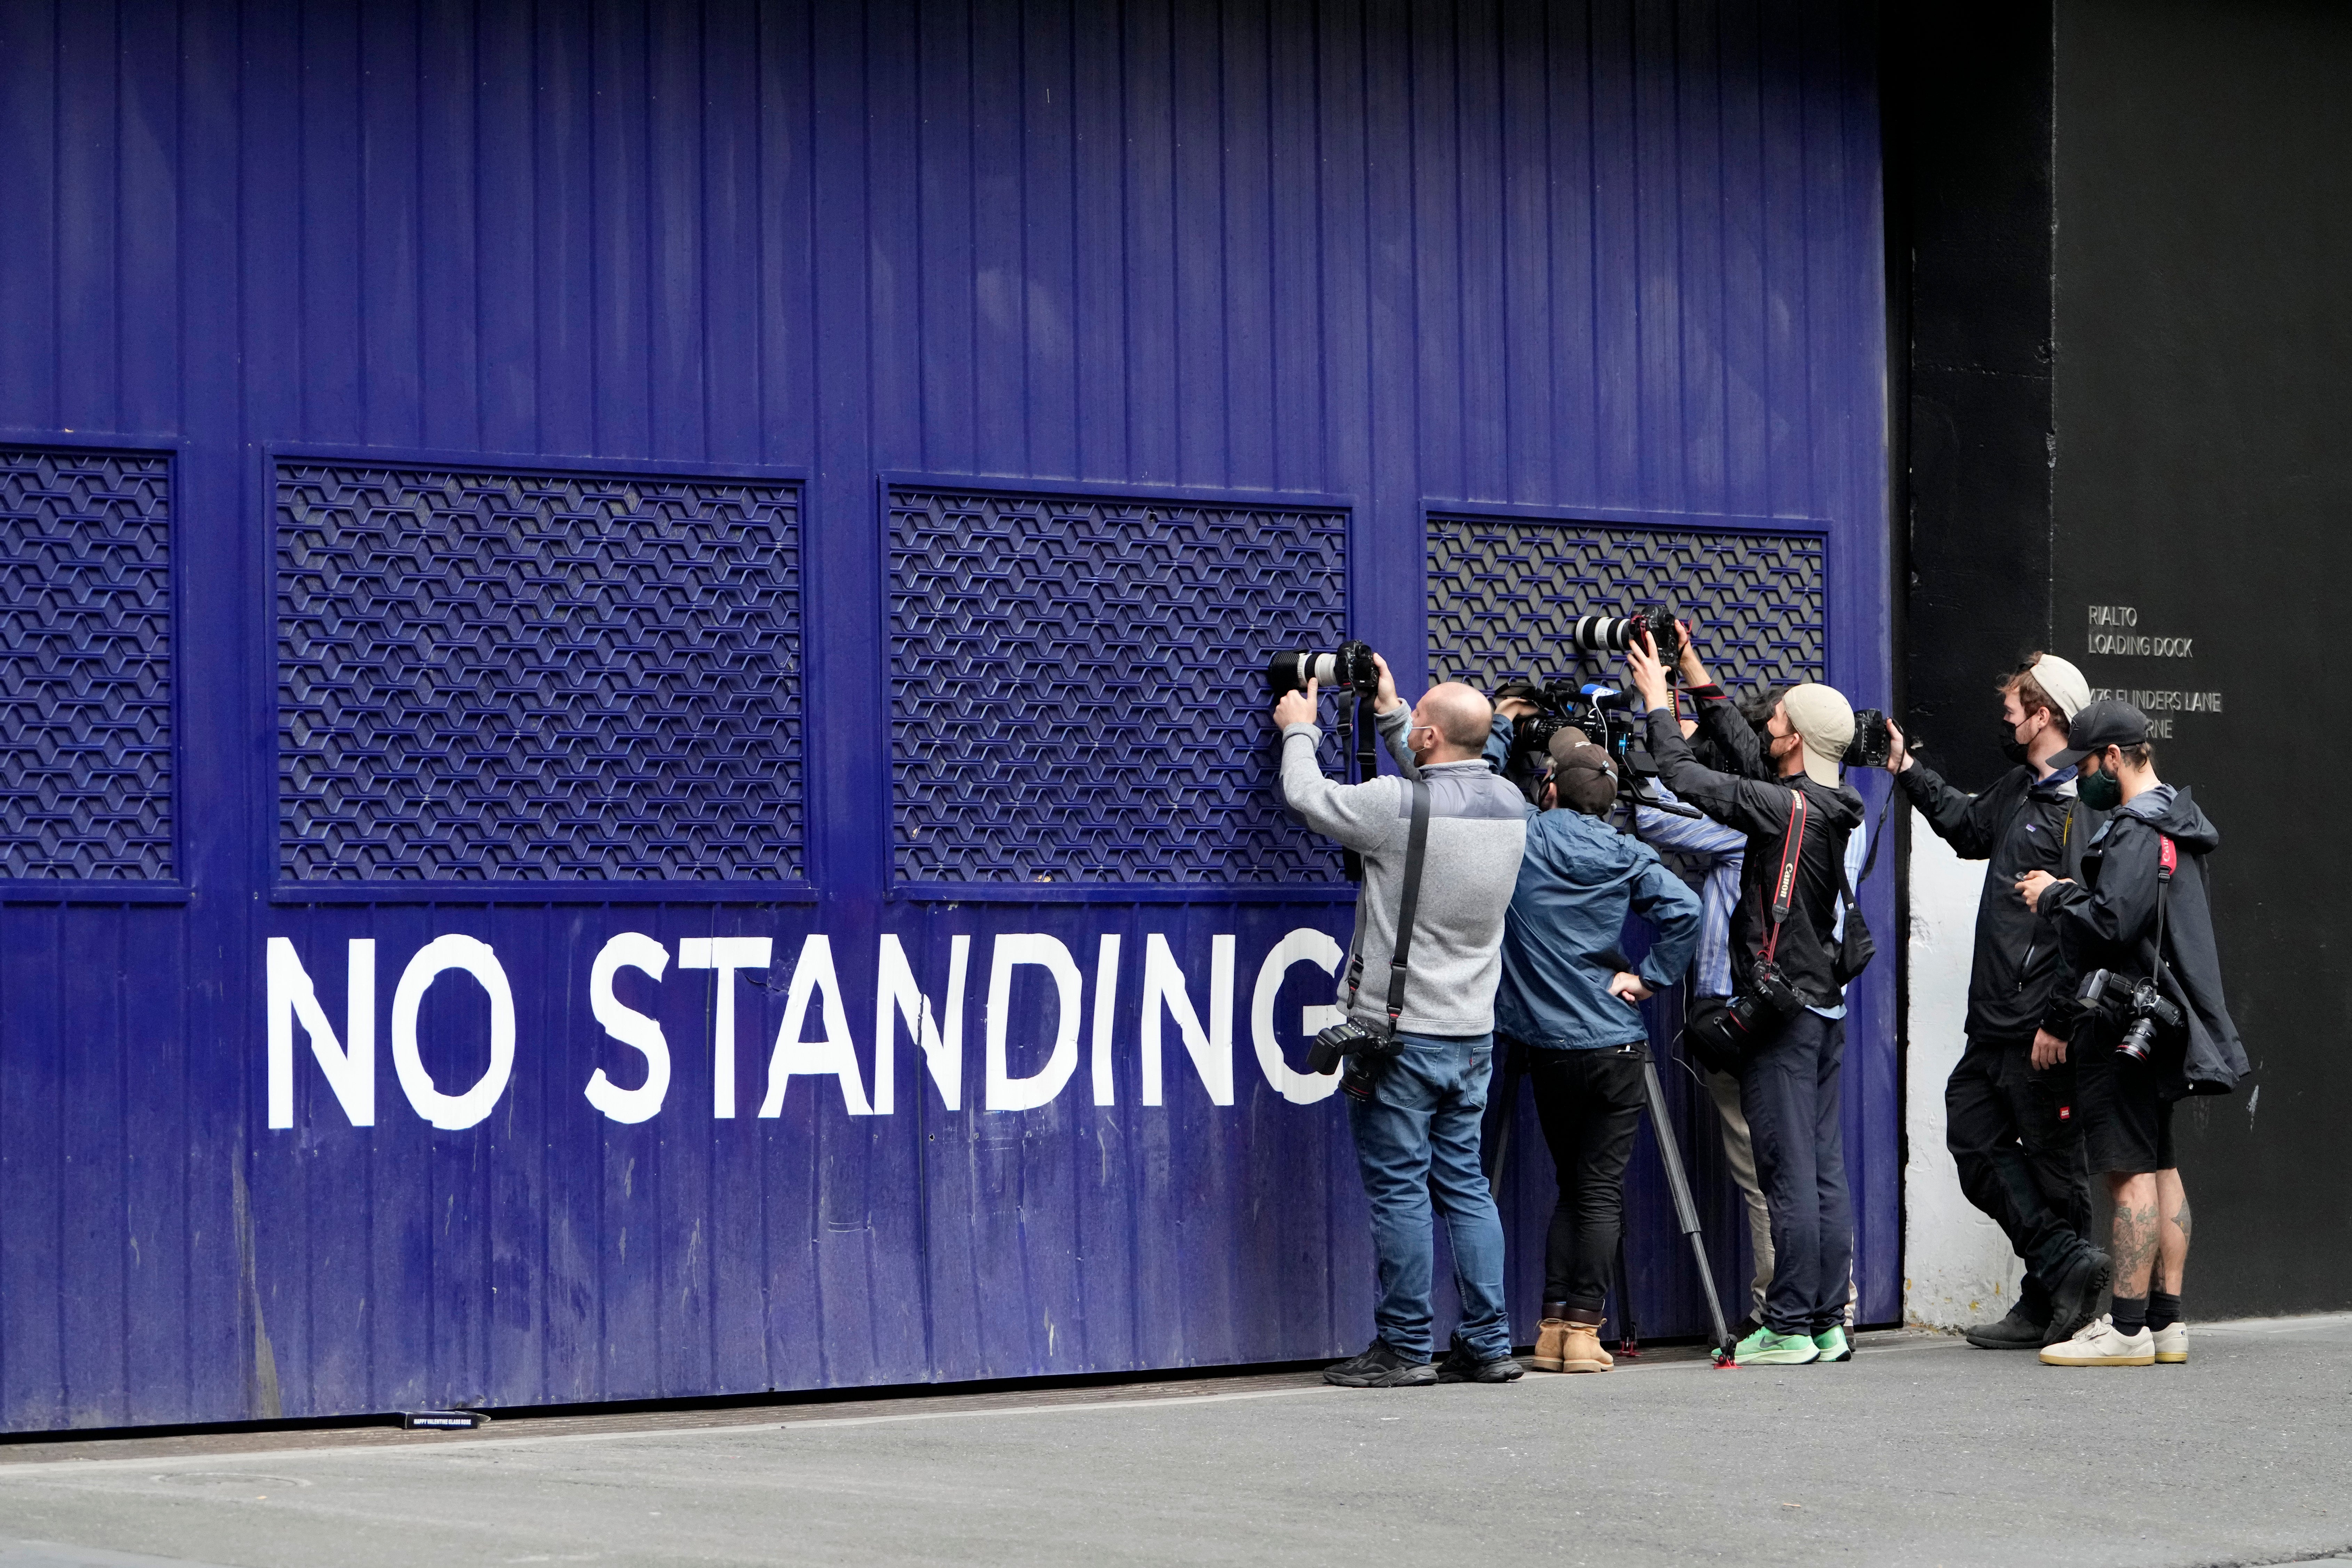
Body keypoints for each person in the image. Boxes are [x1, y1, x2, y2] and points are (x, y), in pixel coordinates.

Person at [1274, 656, 1531, 1387]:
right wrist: (1395, 719)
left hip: (1395, 1037)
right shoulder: (1512, 805)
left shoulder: (1395, 804)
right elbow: (1435, 791)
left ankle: (1405, 1345)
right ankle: (1487, 1343)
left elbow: (1308, 795)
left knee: (1399, 1189)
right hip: (1471, 1035)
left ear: (1427, 737)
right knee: (1465, 1186)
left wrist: (1300, 729)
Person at [1624, 632, 1864, 1367]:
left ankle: (1788, 1323)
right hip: (1821, 1010)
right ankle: (1824, 1318)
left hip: (1780, 1017)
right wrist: (1695, 678)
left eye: (1777, 719)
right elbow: (1744, 749)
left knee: (1786, 1172)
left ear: (1792, 738)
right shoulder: (1823, 803)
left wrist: (1657, 703)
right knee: (1822, 1172)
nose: (1767, 725)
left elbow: (1682, 774)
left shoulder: (1778, 809)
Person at [1886, 653, 2111, 1350]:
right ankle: (2059, 1266)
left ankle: (2060, 1303)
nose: (2004, 718)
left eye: (2014, 707)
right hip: (1993, 1021)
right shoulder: (2020, 786)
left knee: (2054, 1164)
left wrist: (2058, 1021)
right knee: (1974, 1135)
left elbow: (2090, 926)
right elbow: (1967, 827)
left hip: (2040, 1026)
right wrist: (1904, 768)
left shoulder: (2082, 811)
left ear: (2043, 714)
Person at [2018, 700, 2247, 1367]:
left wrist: (2056, 894)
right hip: (2165, 1022)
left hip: (2121, 1023)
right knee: (2163, 1166)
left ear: (2113, 757)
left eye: (2086, 763)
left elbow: (2112, 924)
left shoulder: (2131, 829)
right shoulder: (2177, 820)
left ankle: (2123, 1329)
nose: (2082, 776)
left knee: (2126, 1176)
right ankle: (2166, 1322)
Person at [1486, 728, 1702, 1374]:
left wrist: (1503, 727)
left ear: (1550, 788)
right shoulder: (1627, 852)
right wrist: (1650, 976)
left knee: (1572, 1186)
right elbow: (1685, 910)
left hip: (1548, 1046)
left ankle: (1554, 1329)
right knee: (1598, 1189)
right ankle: (1581, 1331)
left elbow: (1483, 783)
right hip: (1617, 1042)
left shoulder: (1525, 833)